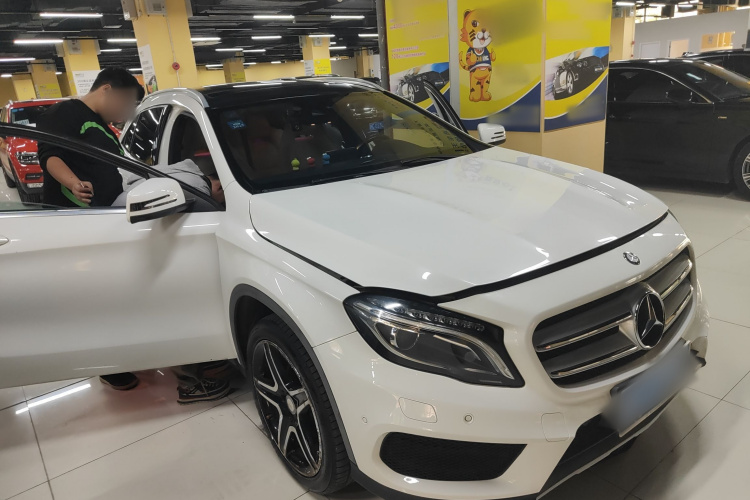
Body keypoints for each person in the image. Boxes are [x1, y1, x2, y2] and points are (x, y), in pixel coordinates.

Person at [37, 68, 145, 391]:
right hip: (75, 224)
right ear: (107, 90)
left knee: (109, 293)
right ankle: (108, 364)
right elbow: (50, 155)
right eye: (125, 103)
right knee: (90, 297)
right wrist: (74, 183)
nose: (124, 112)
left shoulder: (101, 126)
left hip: (104, 219)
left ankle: (124, 352)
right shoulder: (64, 112)